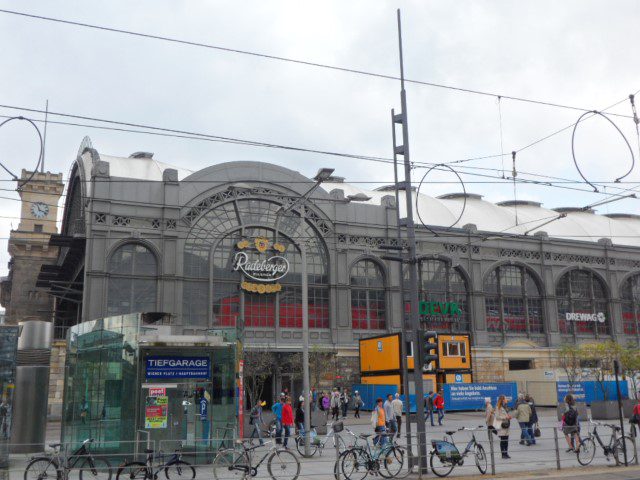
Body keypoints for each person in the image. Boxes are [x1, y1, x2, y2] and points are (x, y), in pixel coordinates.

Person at [493, 395, 512, 459]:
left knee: (506, 440)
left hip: (507, 424)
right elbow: (497, 417)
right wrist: (505, 417)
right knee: (503, 440)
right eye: (505, 399)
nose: (506, 400)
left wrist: (509, 416)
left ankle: (506, 453)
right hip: (502, 425)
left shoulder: (505, 406)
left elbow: (507, 413)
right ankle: (503, 454)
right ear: (502, 400)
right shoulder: (498, 407)